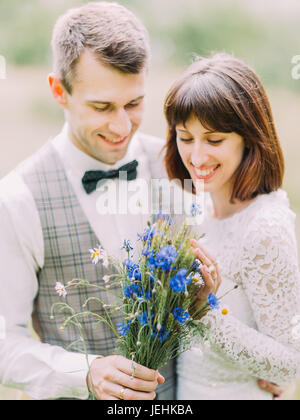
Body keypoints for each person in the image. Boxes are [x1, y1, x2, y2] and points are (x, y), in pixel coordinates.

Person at [0, 2, 281, 400]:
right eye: (102, 107)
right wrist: (82, 373)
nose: (121, 126)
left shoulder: (185, 166)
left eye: (133, 104)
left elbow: (240, 273)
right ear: (58, 91)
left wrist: (273, 362)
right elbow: (5, 345)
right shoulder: (18, 199)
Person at [163, 52, 300, 400]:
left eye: (214, 140)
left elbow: (289, 365)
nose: (196, 156)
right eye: (185, 137)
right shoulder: (198, 208)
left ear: (249, 139)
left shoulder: (264, 228)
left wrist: (207, 312)